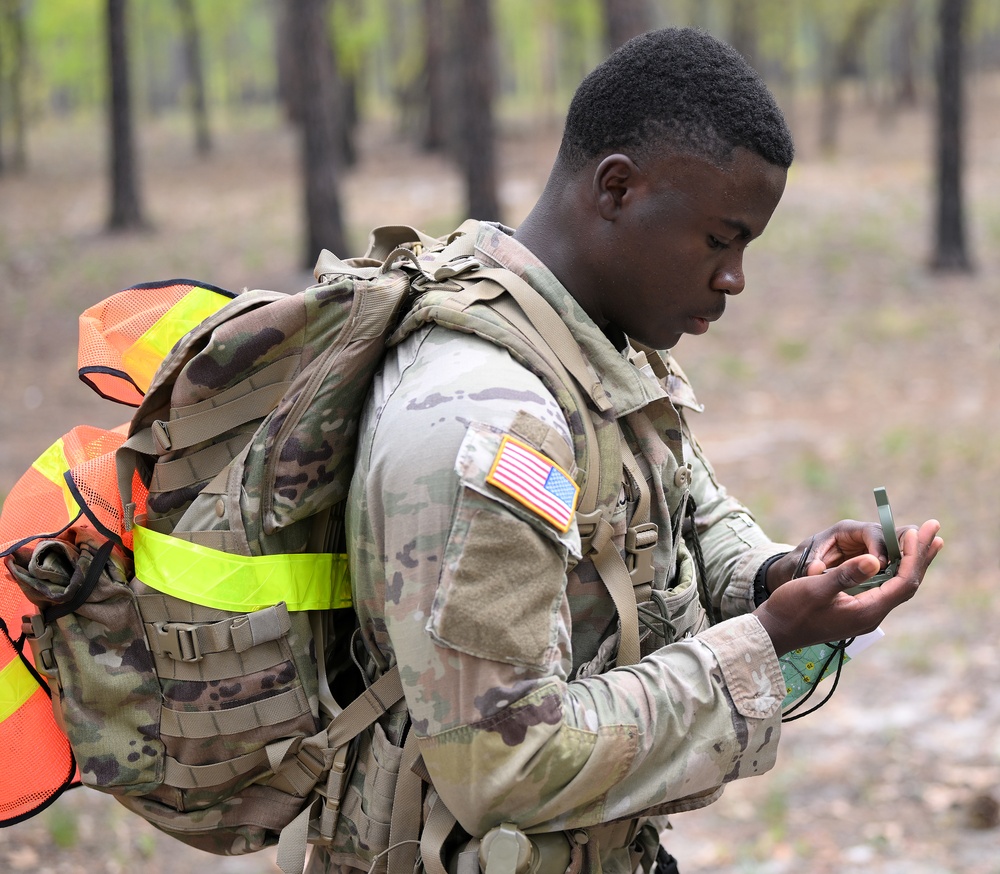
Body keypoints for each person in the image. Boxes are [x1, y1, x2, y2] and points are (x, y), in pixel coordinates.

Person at [310, 27, 943, 874]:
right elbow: (505, 765)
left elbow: (678, 507)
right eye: (719, 240)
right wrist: (763, 641)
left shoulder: (595, 340)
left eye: (746, 246)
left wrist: (780, 578)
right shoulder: (488, 415)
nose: (735, 279)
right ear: (616, 188)